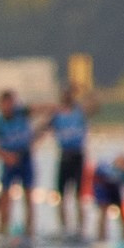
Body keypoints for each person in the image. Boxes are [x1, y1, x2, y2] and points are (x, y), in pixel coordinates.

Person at [0, 88, 37, 242]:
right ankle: (3, 229)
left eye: (11, 103)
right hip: (9, 160)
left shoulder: (22, 113)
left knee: (28, 196)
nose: (9, 107)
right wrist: (5, 156)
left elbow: (42, 108)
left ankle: (30, 231)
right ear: (1, 105)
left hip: (24, 158)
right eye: (5, 104)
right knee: (5, 197)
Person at [46, 86, 92, 240]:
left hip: (78, 156)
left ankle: (80, 229)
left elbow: (95, 105)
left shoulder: (80, 112)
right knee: (61, 195)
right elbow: (43, 129)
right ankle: (64, 228)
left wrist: (84, 89)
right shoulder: (56, 114)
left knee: (79, 195)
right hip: (64, 156)